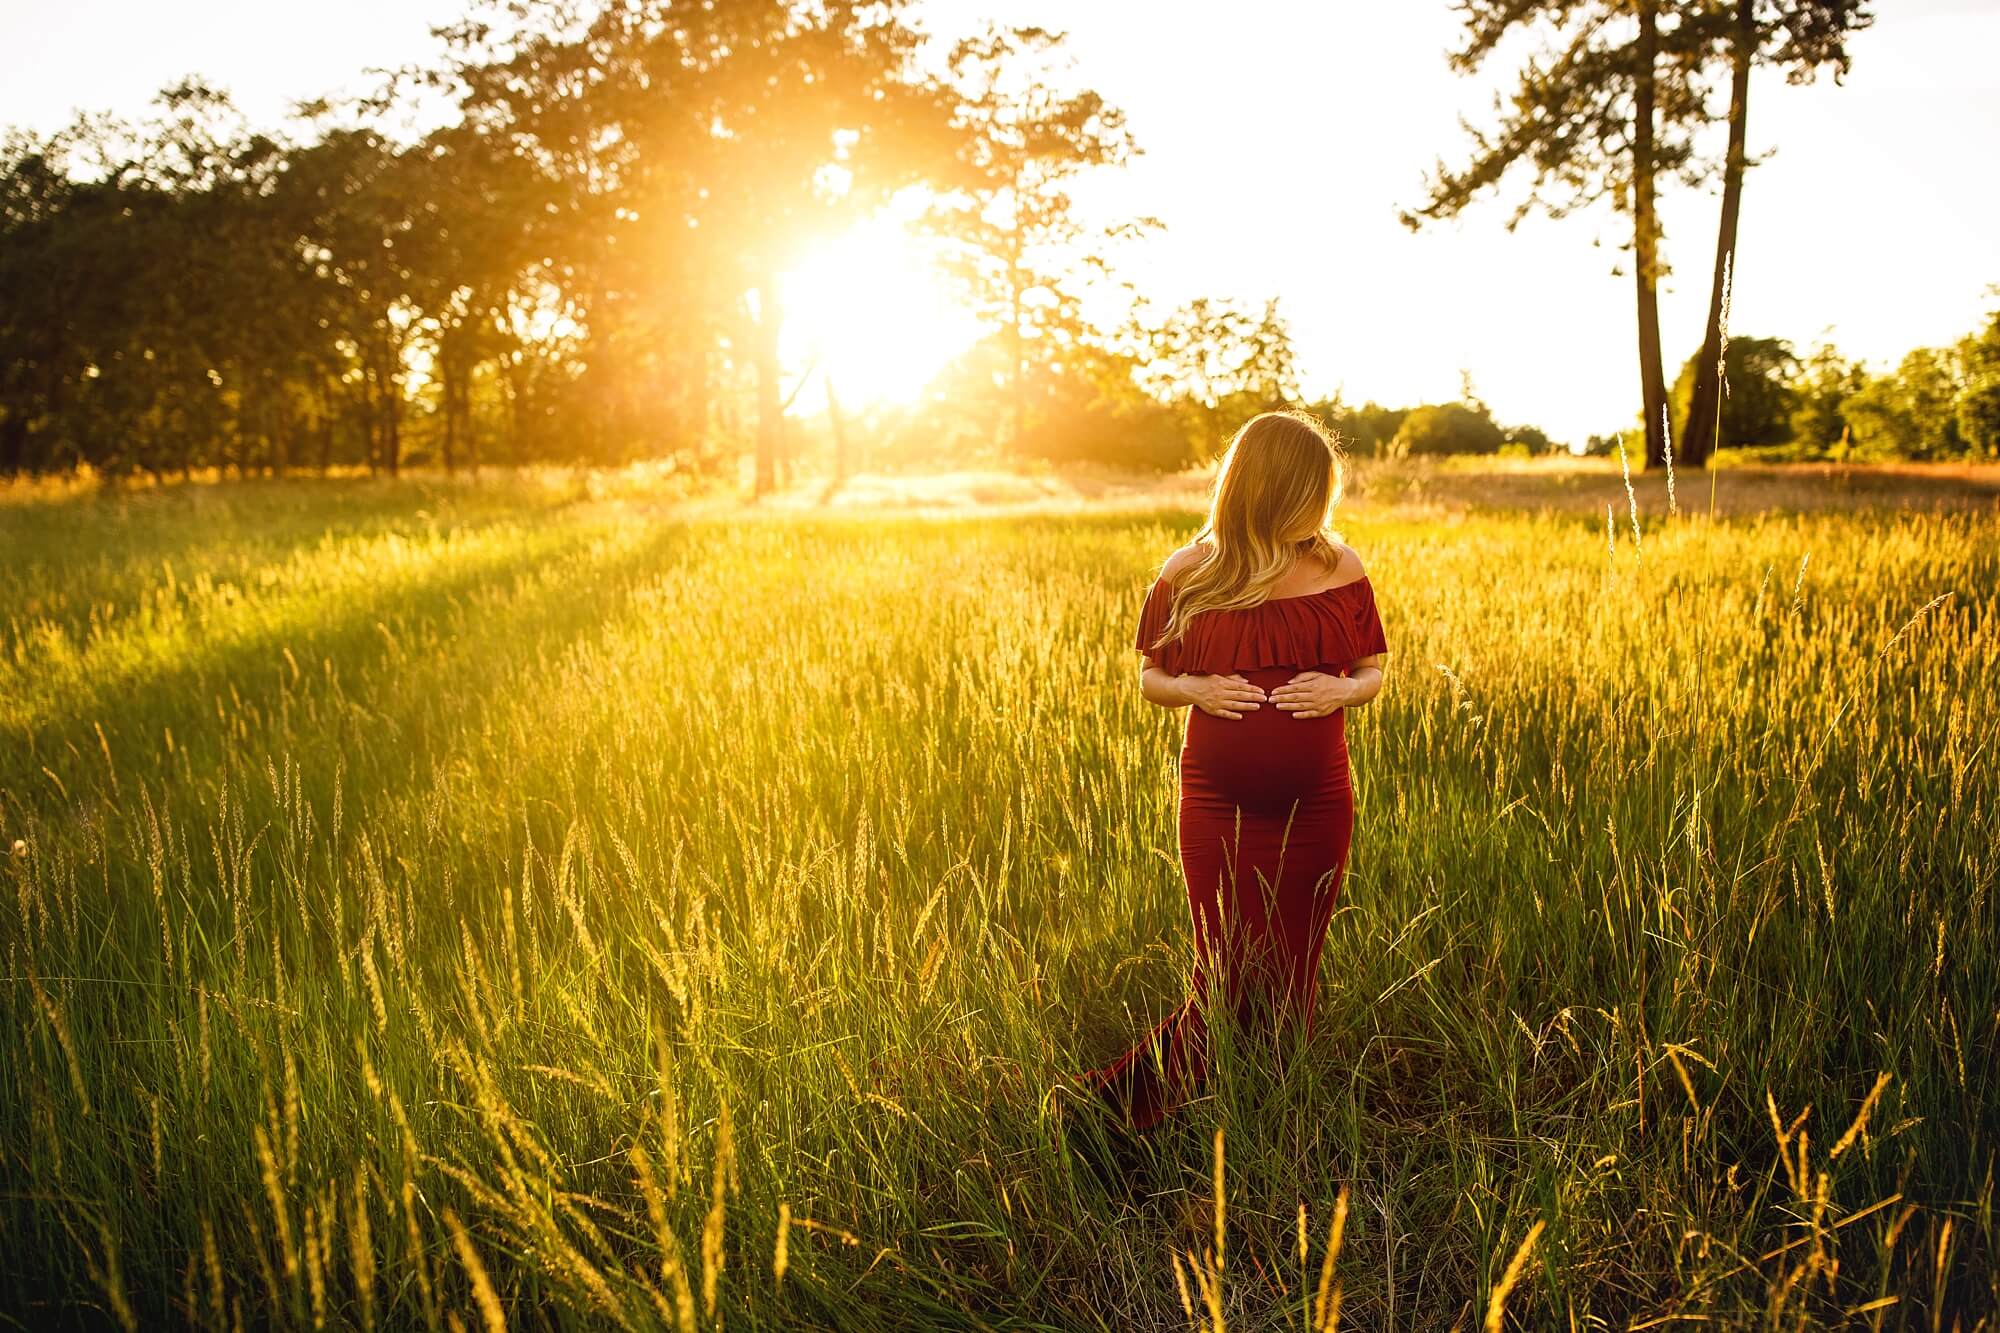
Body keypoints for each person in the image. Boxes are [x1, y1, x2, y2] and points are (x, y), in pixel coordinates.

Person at [1084, 408, 1389, 1135]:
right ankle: (1126, 1116)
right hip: (1216, 803)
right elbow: (1150, 678)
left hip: (1317, 804)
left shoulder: (1339, 567)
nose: (1324, 507)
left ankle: (1278, 1116)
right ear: (1271, 489)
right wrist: (1194, 688)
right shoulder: (1190, 570)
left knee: (1294, 974)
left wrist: (1341, 690)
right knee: (1221, 973)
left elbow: (1375, 670)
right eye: (1313, 490)